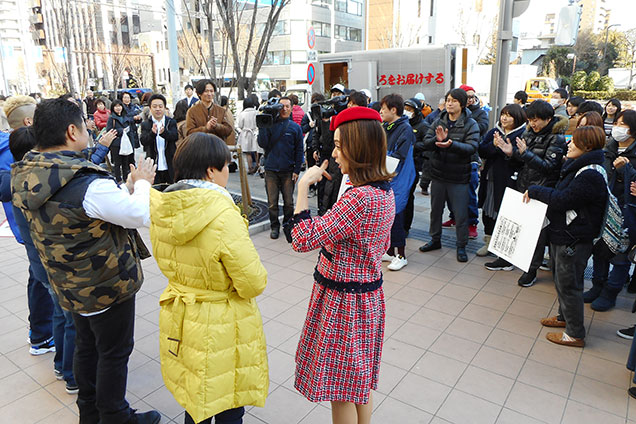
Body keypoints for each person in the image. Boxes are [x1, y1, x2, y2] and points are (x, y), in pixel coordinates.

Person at [11, 98, 160, 424]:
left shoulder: (31, 171)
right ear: (71, 130)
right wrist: (144, 183)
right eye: (85, 124)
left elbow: (82, 210)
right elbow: (139, 214)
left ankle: (90, 413)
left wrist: (125, 188)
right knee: (113, 353)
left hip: (68, 285)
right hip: (104, 286)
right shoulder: (85, 181)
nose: (90, 129)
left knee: (87, 348)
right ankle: (116, 416)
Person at [283, 106, 394, 424]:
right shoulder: (382, 191)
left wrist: (304, 186)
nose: (333, 152)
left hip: (344, 303)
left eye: (338, 144)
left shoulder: (360, 199)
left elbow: (302, 238)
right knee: (358, 383)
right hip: (365, 297)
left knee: (341, 389)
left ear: (358, 148)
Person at [150, 133, 268, 424]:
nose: (228, 172)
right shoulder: (221, 214)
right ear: (211, 170)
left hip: (181, 315)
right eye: (226, 166)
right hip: (221, 322)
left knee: (196, 398)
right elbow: (253, 281)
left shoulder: (162, 208)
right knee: (226, 399)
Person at [524, 126, 607, 347]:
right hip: (566, 234)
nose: (568, 144)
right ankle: (564, 318)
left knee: (570, 284)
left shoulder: (589, 173)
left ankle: (575, 334)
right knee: (563, 281)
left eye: (574, 141)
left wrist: (536, 191)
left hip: (574, 238)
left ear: (587, 146)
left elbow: (564, 199)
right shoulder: (579, 166)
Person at [497, 100, 567, 285]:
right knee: (520, 228)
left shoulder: (556, 138)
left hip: (543, 190)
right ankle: (511, 259)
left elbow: (549, 168)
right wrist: (510, 153)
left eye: (536, 120)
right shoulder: (528, 133)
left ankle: (532, 269)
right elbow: (522, 162)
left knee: (537, 233)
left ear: (548, 119)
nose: (533, 124)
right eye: (530, 120)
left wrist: (526, 154)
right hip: (524, 186)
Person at [419, 88, 480, 263]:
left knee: (461, 214)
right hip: (438, 174)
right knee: (435, 211)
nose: (449, 103)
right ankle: (435, 240)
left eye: (453, 100)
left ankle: (461, 246)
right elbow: (426, 143)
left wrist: (450, 144)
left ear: (461, 103)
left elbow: (472, 148)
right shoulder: (439, 120)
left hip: (459, 177)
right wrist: (438, 141)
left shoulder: (470, 124)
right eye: (448, 100)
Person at [584, 110, 636, 312]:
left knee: (621, 254)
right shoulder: (608, 148)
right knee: (600, 247)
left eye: (622, 124)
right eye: (616, 123)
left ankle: (610, 292)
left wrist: (625, 171)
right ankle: (598, 285)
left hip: (627, 211)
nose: (617, 127)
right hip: (605, 207)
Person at [478, 104, 527, 261]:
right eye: (503, 114)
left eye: (509, 115)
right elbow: (481, 150)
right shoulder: (494, 132)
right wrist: (494, 146)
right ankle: (488, 241)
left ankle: (504, 248)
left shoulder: (523, 134)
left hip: (510, 181)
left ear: (517, 118)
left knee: (506, 213)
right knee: (488, 209)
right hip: (490, 178)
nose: (504, 118)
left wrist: (510, 152)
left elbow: (523, 160)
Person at [257, 96, 303, 239]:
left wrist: (297, 170)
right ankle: (274, 227)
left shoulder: (295, 128)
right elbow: (262, 143)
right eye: (281, 106)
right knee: (272, 203)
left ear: (291, 108)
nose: (284, 109)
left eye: (287, 106)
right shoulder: (270, 125)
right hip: (271, 170)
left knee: (289, 203)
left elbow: (299, 150)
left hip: (288, 171)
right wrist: (263, 126)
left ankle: (288, 225)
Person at [380, 94, 416, 271]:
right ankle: (389, 251)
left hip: (399, 177)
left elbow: (398, 156)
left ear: (393, 110)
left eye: (383, 109)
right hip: (388, 176)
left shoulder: (405, 129)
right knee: (387, 216)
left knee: (396, 216)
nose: (380, 112)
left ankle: (401, 255)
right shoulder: (387, 126)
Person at [140, 94, 179, 184]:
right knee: (156, 191)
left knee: (171, 190)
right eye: (154, 106)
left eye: (160, 106)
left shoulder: (171, 122)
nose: (158, 109)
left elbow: (175, 136)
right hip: (154, 164)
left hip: (170, 163)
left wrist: (164, 133)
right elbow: (143, 141)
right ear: (150, 108)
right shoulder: (146, 124)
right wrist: (152, 133)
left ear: (165, 108)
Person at [404, 97, 427, 230]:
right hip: (401, 165)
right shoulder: (402, 123)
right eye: (405, 109)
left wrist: (413, 145)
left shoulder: (423, 126)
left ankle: (406, 226)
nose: (407, 112)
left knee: (408, 196)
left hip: (414, 165)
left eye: (410, 110)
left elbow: (427, 143)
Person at [185, 79, 233, 143]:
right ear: (199, 93)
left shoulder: (221, 110)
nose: (209, 94)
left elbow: (228, 130)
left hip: (217, 147)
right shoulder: (192, 111)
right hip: (199, 148)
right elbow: (189, 133)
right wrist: (206, 128)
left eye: (211, 91)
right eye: (206, 91)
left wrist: (217, 126)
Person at [107, 99, 136, 182]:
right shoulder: (111, 118)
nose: (118, 108)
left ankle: (126, 179)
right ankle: (118, 179)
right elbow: (109, 130)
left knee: (125, 162)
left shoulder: (125, 117)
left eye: (119, 106)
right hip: (116, 143)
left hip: (126, 143)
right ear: (113, 108)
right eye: (116, 106)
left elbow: (131, 130)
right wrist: (121, 130)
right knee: (117, 163)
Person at [237, 96, 259, 174]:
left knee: (248, 152)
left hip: (246, 134)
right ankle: (258, 166)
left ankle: (250, 168)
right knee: (256, 150)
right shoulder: (256, 112)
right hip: (255, 133)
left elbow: (240, 125)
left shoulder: (242, 114)